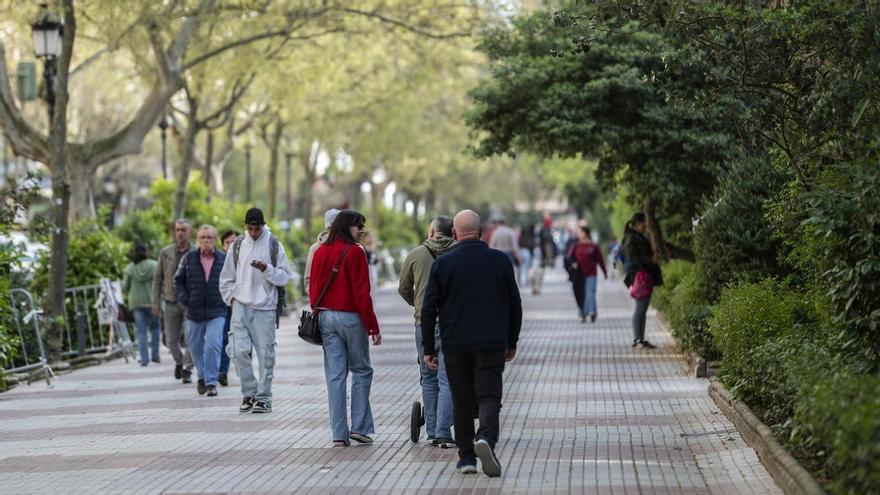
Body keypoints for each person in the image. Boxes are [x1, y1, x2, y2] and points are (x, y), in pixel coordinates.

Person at [421, 209, 522, 478]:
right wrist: (512, 340)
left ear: (454, 234)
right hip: (491, 341)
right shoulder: (499, 261)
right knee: (489, 396)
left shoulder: (443, 264)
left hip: (455, 344)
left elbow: (428, 308)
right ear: (481, 232)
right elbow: (514, 303)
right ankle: (486, 439)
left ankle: (466, 457)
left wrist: (429, 348)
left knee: (462, 400)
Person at [309, 210, 382, 447]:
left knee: (335, 376)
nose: (360, 230)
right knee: (361, 369)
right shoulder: (355, 252)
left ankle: (339, 434)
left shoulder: (320, 251)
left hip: (325, 317)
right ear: (345, 227)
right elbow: (362, 294)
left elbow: (313, 287)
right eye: (357, 226)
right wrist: (372, 326)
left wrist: (318, 311)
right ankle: (359, 427)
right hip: (350, 317)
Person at [220, 208, 293, 413]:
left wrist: (266, 269)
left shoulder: (273, 244)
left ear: (262, 225)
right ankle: (249, 392)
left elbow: (285, 276)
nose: (253, 232)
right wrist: (232, 299)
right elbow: (226, 277)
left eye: (256, 228)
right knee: (239, 350)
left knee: (265, 354)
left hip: (265, 306)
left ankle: (264, 396)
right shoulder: (238, 244)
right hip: (240, 305)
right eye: (250, 228)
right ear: (245, 226)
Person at [397, 215, 456, 448]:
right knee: (447, 377)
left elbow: (403, 288)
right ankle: (443, 431)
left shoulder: (415, 254)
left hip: (424, 323)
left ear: (431, 232)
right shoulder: (458, 253)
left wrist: (418, 303)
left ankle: (432, 430)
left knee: (428, 376)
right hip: (452, 323)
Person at [174, 225, 227, 397]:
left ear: (215, 240)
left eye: (209, 237)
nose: (206, 241)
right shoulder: (189, 258)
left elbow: (232, 280)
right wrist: (185, 299)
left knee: (213, 345)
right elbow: (178, 281)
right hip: (194, 311)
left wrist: (226, 298)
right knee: (195, 347)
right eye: (203, 237)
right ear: (198, 240)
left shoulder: (223, 258)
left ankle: (211, 383)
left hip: (216, 310)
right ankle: (202, 376)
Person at [151, 219, 194, 383]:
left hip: (189, 303)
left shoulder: (196, 252)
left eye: (183, 230)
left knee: (191, 338)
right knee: (170, 340)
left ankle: (187, 369)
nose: (180, 233)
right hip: (170, 302)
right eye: (177, 230)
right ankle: (179, 361)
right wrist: (155, 302)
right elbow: (157, 278)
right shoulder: (165, 253)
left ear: (190, 232)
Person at [623, 212, 662, 349]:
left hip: (645, 275)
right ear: (639, 223)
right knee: (640, 308)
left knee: (642, 309)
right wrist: (649, 259)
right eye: (644, 222)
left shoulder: (638, 237)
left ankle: (640, 338)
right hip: (639, 276)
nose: (646, 225)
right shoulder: (631, 238)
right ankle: (637, 338)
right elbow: (632, 258)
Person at [123, 243, 160, 366]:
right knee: (155, 327)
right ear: (146, 252)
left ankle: (144, 359)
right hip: (152, 301)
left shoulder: (130, 268)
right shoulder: (154, 265)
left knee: (141, 331)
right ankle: (155, 355)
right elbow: (160, 282)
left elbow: (125, 287)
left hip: (136, 302)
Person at [568, 226, 608, 323]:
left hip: (591, 273)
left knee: (590, 292)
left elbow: (600, 260)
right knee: (582, 294)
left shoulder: (593, 246)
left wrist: (605, 272)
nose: (579, 234)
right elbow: (569, 258)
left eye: (580, 232)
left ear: (585, 233)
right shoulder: (576, 246)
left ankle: (590, 312)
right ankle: (585, 312)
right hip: (580, 274)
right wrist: (573, 264)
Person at [218, 229, 240, 386]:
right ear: (223, 246)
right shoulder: (218, 261)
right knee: (225, 338)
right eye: (228, 242)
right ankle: (222, 372)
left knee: (245, 340)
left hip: (243, 305)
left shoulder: (246, 260)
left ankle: (244, 372)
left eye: (234, 242)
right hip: (224, 306)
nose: (231, 245)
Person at [303, 208, 340, 299]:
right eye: (331, 227)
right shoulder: (315, 248)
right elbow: (308, 279)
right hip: (322, 305)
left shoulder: (349, 247)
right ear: (327, 227)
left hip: (343, 304)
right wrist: (315, 297)